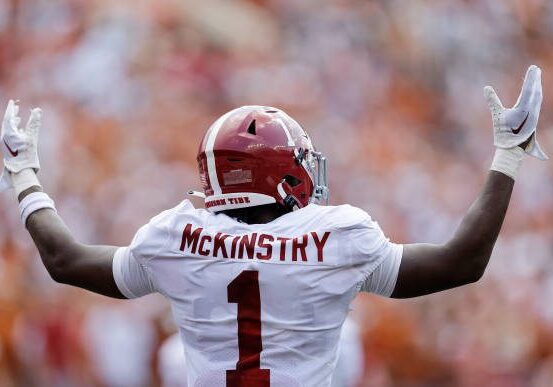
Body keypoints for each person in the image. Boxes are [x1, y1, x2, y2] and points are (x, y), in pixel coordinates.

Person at [0, 65, 546, 387]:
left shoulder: (172, 236)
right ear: (282, 174)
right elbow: (462, 262)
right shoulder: (339, 235)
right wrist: (509, 155)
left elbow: (64, 260)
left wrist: (25, 177)